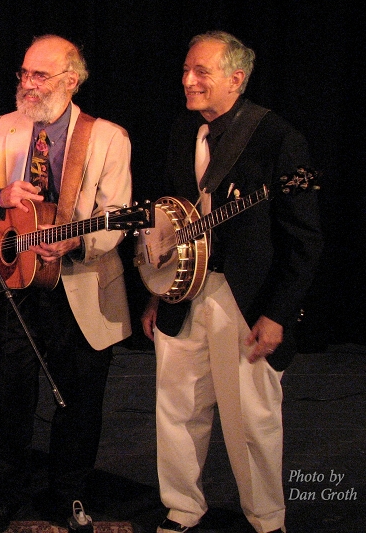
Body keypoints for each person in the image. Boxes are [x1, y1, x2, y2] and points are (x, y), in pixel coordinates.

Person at [0, 34, 133, 530]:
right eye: (23, 73)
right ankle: (5, 492)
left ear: (71, 80)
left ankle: (68, 492)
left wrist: (75, 242)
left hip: (82, 284)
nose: (27, 84)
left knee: (79, 396)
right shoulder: (6, 128)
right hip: (19, 284)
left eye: (39, 75)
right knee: (12, 393)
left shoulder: (108, 137)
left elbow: (115, 218)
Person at [140, 31, 324, 533]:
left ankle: (267, 518)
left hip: (246, 298)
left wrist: (278, 312)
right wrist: (160, 292)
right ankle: (181, 507)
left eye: (201, 72)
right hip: (184, 291)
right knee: (176, 407)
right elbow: (171, 217)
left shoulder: (278, 138)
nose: (188, 80)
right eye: (185, 70)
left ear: (236, 79)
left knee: (251, 419)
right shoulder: (183, 130)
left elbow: (304, 240)